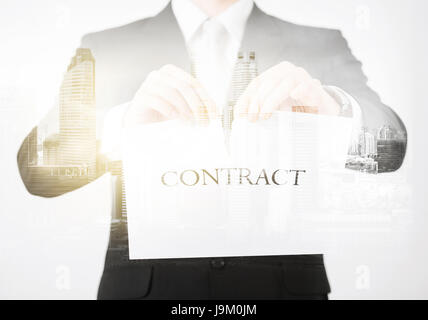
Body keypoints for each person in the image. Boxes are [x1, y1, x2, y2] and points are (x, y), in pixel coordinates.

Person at [17, 0, 407, 300]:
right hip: (147, 291)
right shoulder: (106, 46)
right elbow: (38, 167)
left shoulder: (321, 43)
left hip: (282, 290)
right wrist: (121, 124)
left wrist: (331, 108)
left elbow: (390, 146)